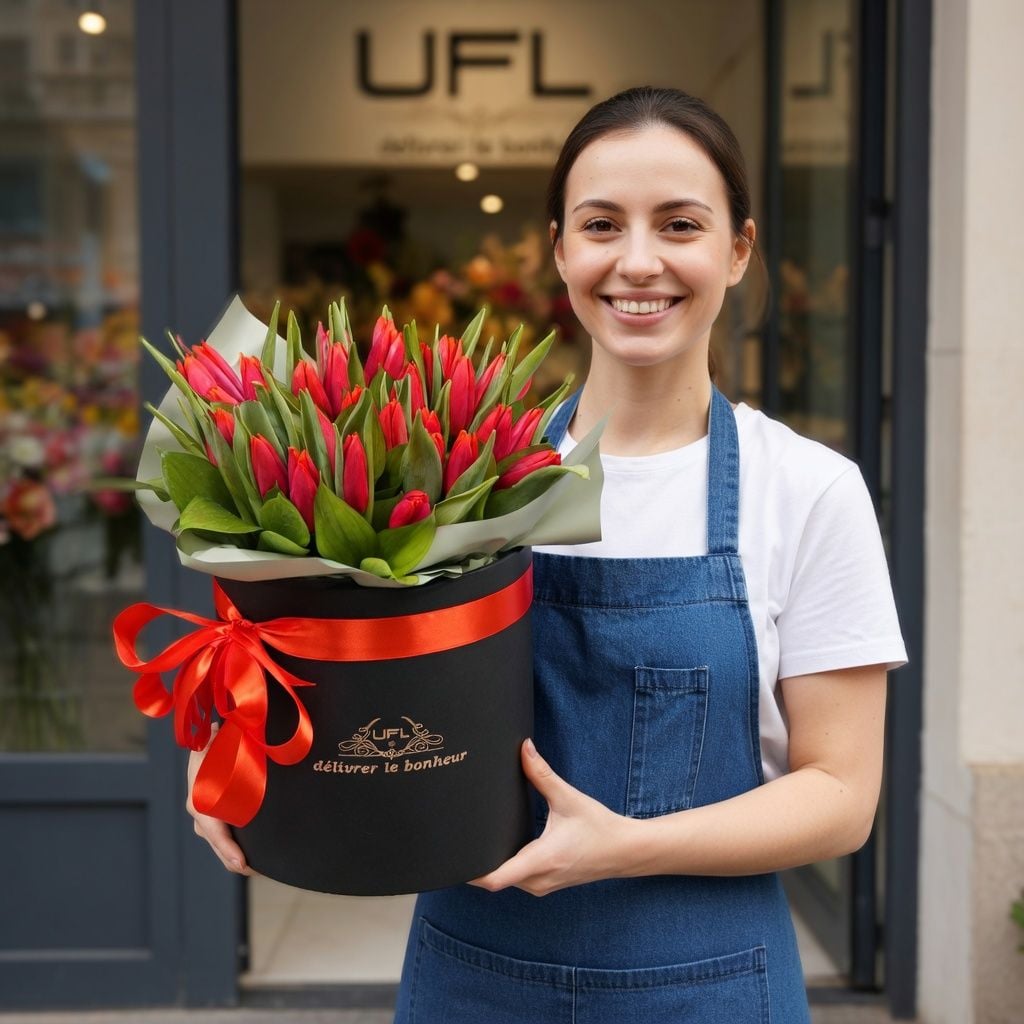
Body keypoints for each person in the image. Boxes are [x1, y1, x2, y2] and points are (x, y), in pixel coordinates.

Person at [189, 86, 908, 1022]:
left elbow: (843, 797)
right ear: (562, 249)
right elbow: (353, 678)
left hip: (711, 985)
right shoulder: (465, 470)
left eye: (680, 224)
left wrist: (623, 846)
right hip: (472, 979)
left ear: (737, 250)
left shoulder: (808, 489)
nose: (638, 260)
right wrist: (242, 761)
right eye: (602, 223)